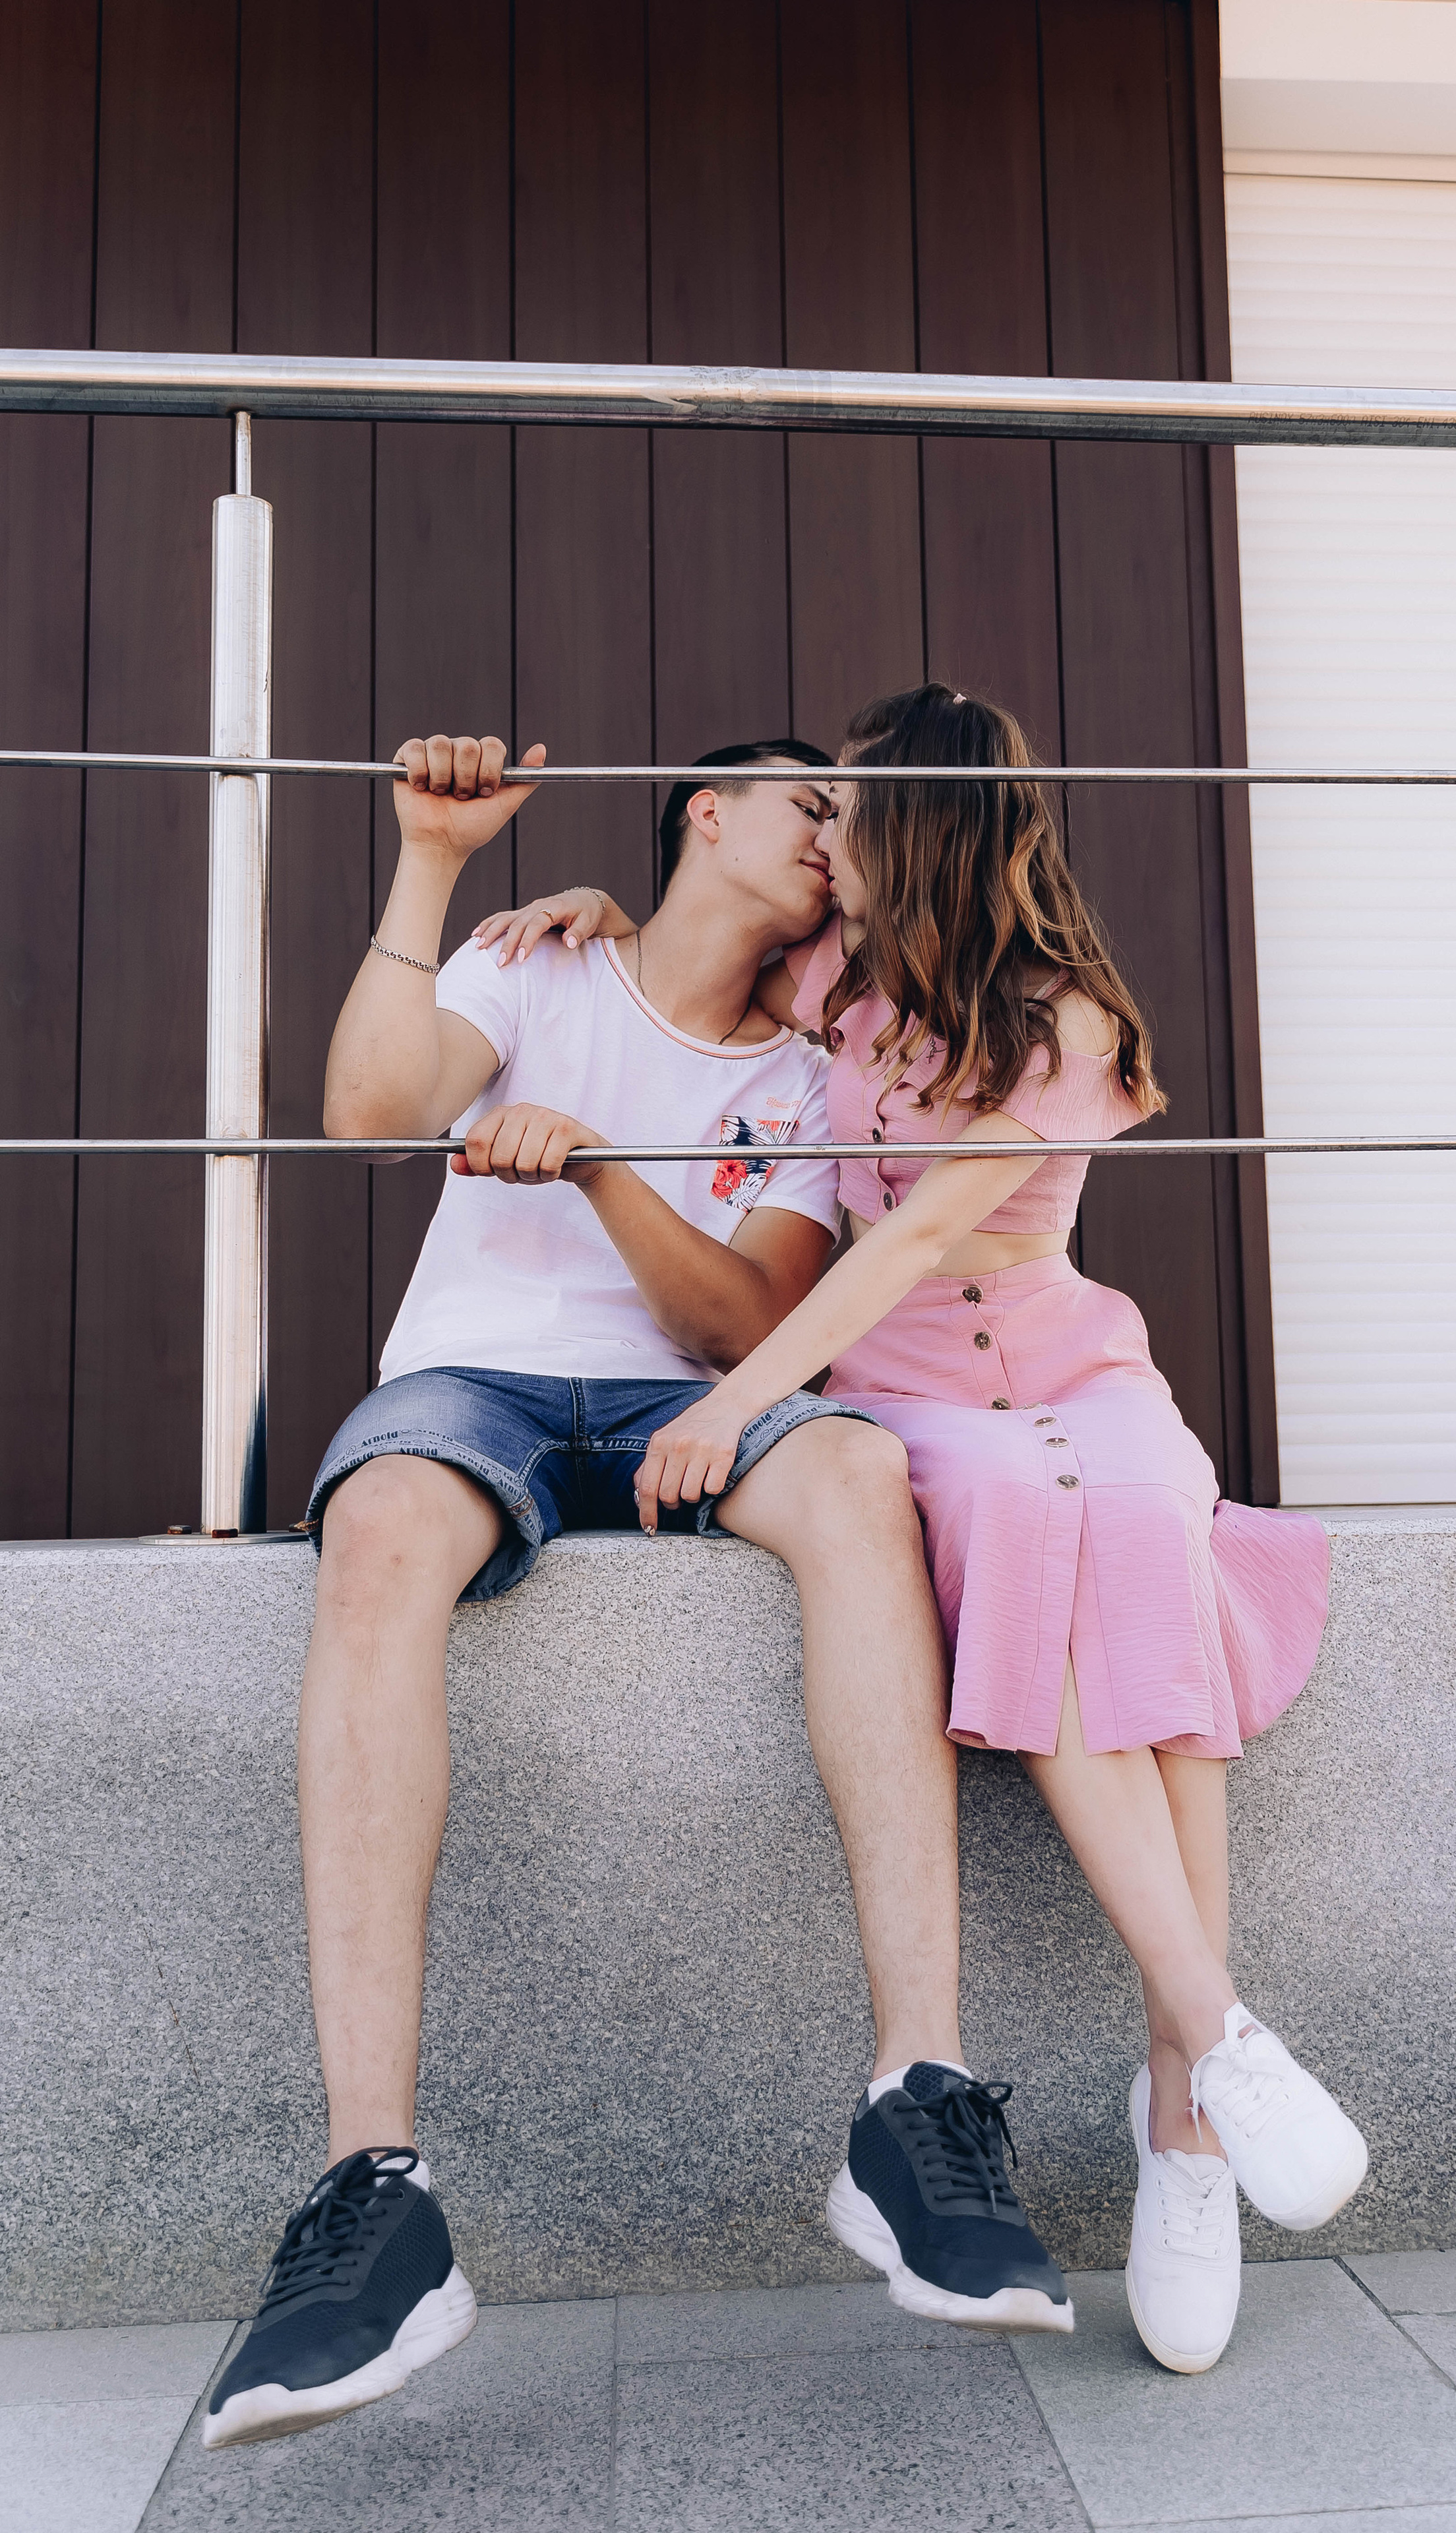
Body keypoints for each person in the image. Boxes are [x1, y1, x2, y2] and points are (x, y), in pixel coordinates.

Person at [201, 729, 1074, 2455]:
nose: (840, 834)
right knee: (378, 1524)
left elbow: (744, 1334)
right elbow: (365, 1109)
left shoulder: (816, 1073)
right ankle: (370, 2193)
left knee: (856, 1469)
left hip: (686, 1409)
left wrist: (600, 1165)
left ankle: (918, 2095)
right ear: (709, 813)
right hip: (477, 1379)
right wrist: (436, 856)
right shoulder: (538, 963)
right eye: (809, 803)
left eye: (858, 815)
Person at [481, 684, 1367, 2381]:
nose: (823, 838)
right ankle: (1216, 2042)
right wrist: (590, 919)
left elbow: (906, 1245)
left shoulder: (1069, 1025)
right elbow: (688, 965)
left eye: (849, 813)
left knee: (1146, 1516)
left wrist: (732, 1401)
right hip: (924, 1410)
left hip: (1070, 1367)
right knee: (1020, 1525)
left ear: (922, 828)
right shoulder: (829, 989)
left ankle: (1189, 2109)